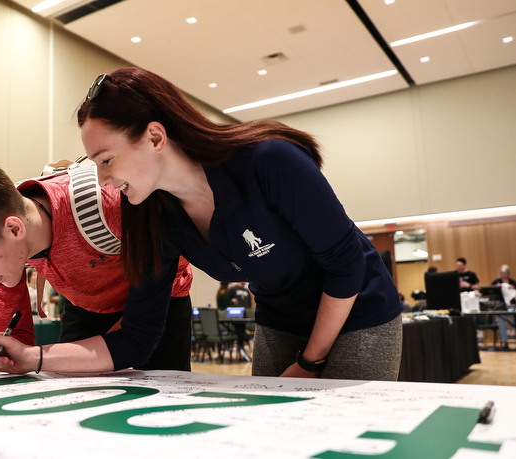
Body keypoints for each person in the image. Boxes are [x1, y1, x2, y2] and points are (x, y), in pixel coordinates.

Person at [67, 67, 403, 381]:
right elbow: (137, 336)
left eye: (106, 160)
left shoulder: (268, 160)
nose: (103, 180)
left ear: (156, 137)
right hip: (280, 319)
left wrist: (309, 361)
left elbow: (346, 264)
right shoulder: (152, 215)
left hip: (356, 309)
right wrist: (35, 357)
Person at [0, 156, 193, 375]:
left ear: (14, 229)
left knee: (161, 400)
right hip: (85, 304)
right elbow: (14, 344)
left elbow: (138, 338)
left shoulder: (109, 202)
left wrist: (36, 358)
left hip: (155, 300)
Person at [491, 264, 516, 349]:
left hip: (511, 306)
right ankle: (505, 342)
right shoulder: (496, 282)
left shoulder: (513, 283)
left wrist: (513, 288)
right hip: (500, 306)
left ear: (508, 274)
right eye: (502, 273)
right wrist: (496, 288)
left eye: (505, 273)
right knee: (502, 321)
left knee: (514, 320)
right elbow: (491, 294)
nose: (504, 275)